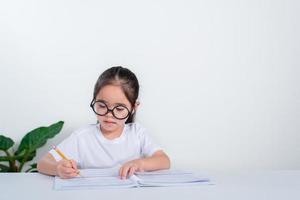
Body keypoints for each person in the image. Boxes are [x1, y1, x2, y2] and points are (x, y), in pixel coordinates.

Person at [37, 66, 170, 179]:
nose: (108, 115)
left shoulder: (137, 133)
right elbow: (42, 164)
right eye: (102, 105)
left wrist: (140, 164)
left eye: (119, 108)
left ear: (134, 108)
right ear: (94, 100)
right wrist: (58, 168)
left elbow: (164, 161)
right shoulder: (82, 137)